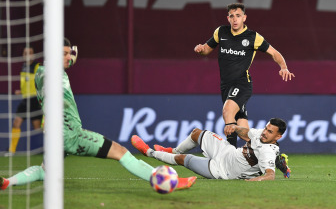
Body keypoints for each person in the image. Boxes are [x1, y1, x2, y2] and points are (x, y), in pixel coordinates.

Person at [0, 38, 196, 191]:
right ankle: (167, 182)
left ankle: (7, 182)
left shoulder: (44, 71)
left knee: (45, 171)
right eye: (64, 54)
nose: (69, 57)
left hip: (54, 135)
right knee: (121, 152)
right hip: (71, 135)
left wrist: (65, 57)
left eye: (70, 53)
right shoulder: (48, 73)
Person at [194, 3, 295, 147]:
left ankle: (229, 154)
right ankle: (271, 153)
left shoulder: (253, 37)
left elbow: (274, 53)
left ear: (244, 18)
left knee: (228, 112)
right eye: (232, 16)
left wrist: (283, 67)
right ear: (228, 18)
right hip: (226, 86)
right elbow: (206, 50)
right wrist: (200, 49)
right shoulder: (221, 32)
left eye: (238, 16)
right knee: (244, 131)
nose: (235, 19)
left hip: (242, 84)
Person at [131, 118, 291, 181]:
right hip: (227, 152)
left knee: (184, 160)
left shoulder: (268, 151)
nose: (264, 132)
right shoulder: (260, 134)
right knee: (196, 133)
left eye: (270, 132)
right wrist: (235, 127)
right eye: (266, 128)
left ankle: (148, 152)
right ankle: (172, 151)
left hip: (223, 170)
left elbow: (270, 175)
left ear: (278, 137)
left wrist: (254, 180)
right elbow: (247, 133)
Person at [6, 47, 43, 155]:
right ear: (23, 55)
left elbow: (41, 82)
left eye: (30, 53)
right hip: (25, 100)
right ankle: (11, 150)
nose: (28, 55)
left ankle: (54, 148)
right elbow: (27, 84)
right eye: (26, 53)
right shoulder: (23, 67)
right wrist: (21, 92)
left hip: (35, 101)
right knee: (16, 122)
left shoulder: (37, 67)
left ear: (33, 54)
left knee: (38, 127)